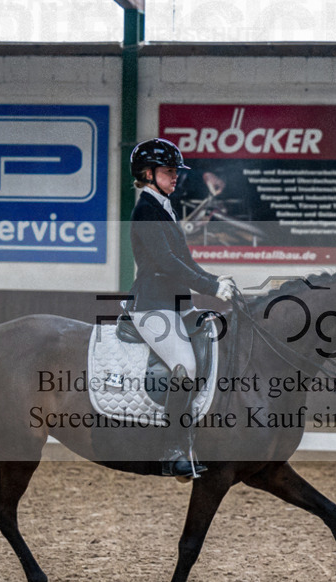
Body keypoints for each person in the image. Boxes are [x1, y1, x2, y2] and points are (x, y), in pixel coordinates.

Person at [128, 138, 236, 477]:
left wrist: (218, 281)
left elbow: (185, 260)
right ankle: (172, 449)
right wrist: (210, 287)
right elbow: (166, 261)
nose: (176, 177)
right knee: (185, 367)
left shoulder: (164, 207)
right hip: (152, 306)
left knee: (215, 347)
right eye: (168, 171)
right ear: (147, 174)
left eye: (176, 171)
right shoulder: (146, 209)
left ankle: (195, 439)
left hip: (176, 305)